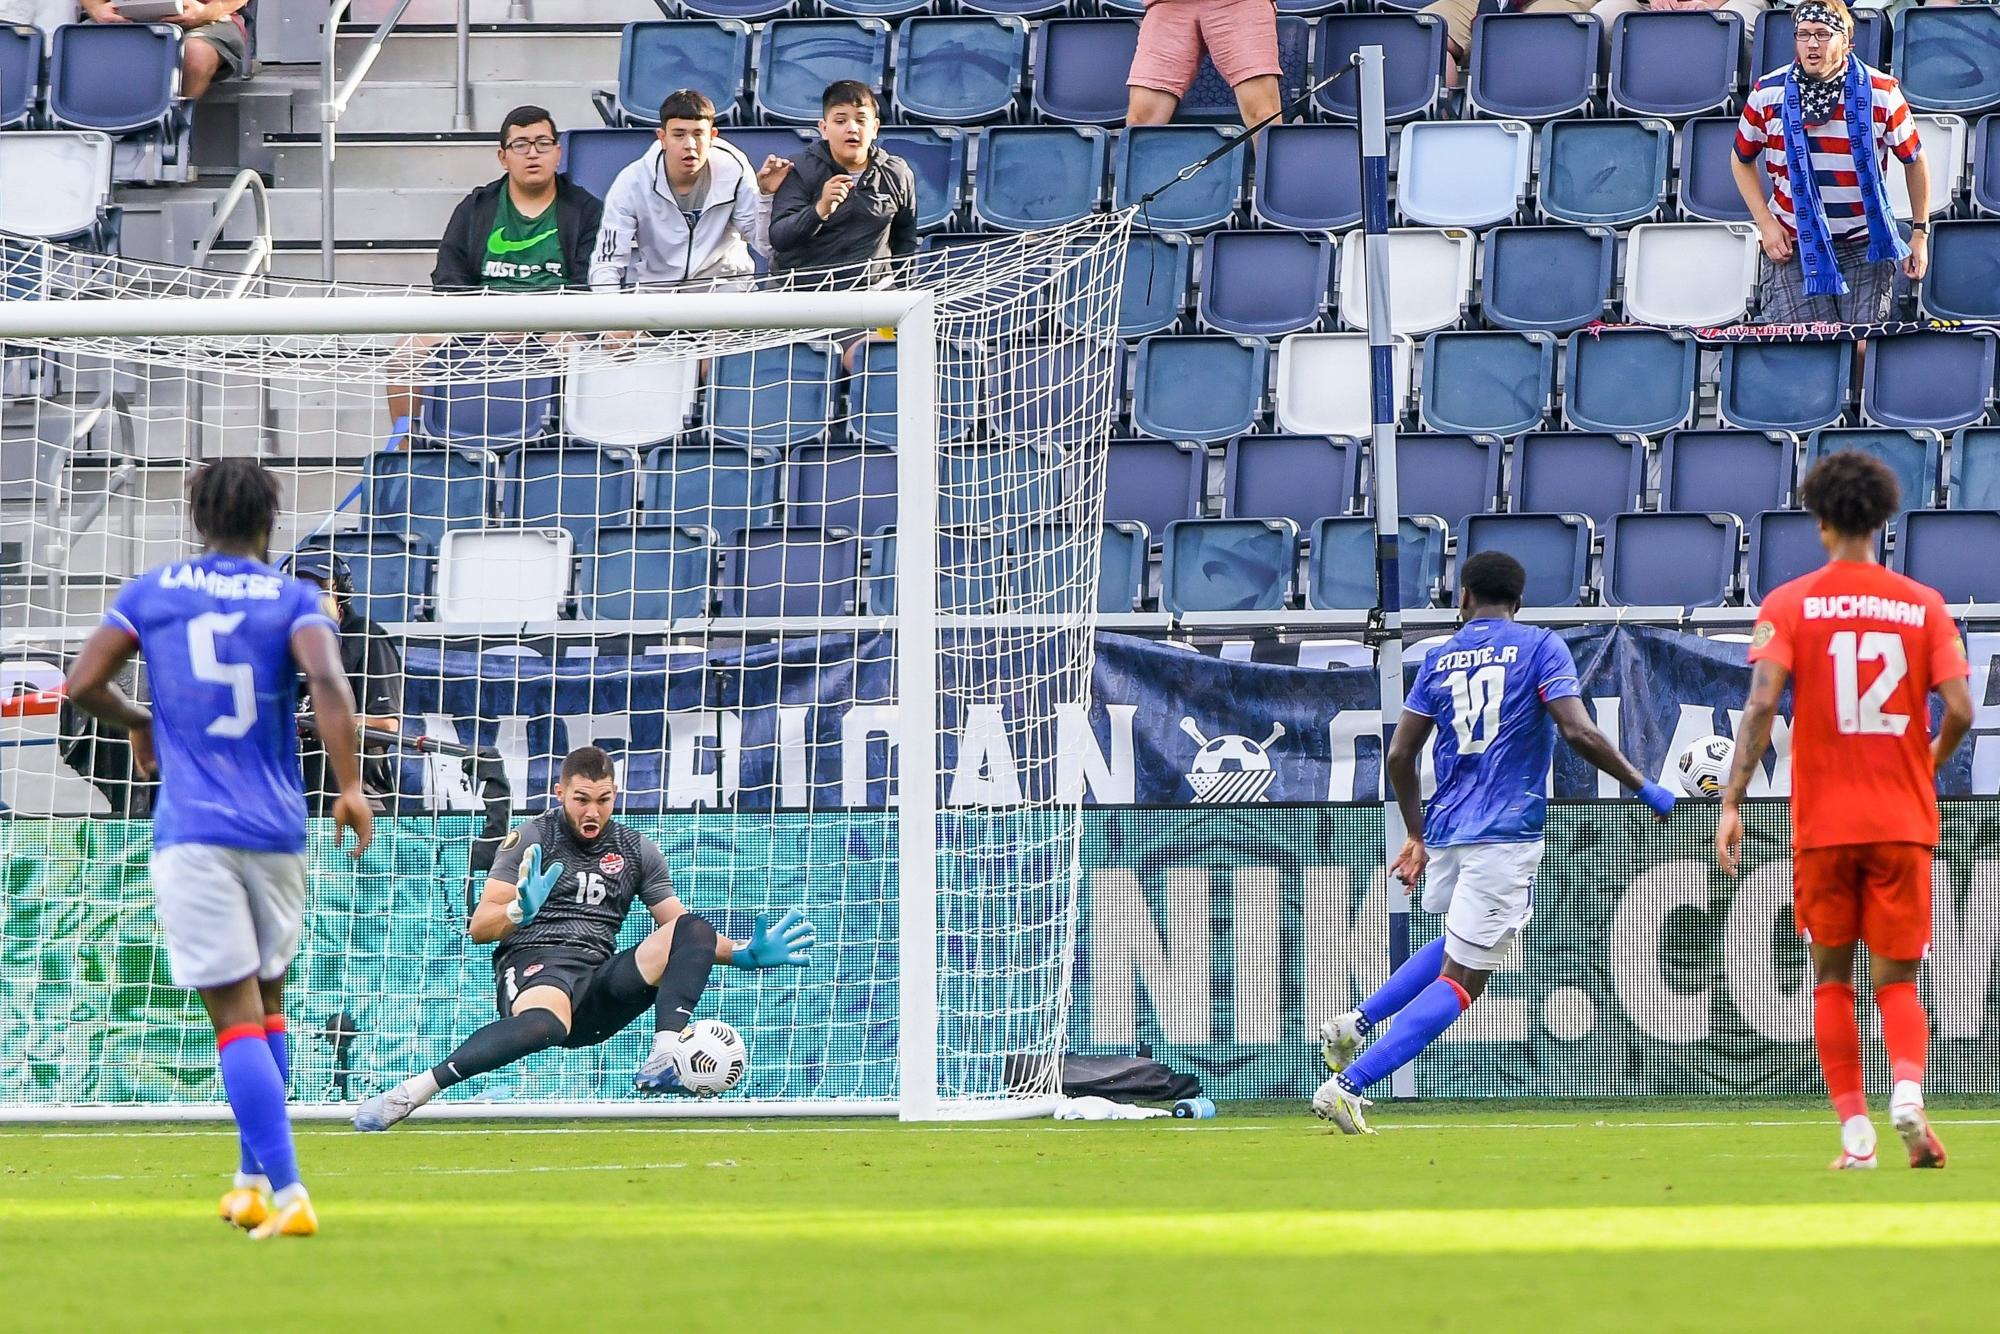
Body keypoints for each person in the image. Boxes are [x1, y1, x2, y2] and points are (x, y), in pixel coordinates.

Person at [63, 458, 373, 1239]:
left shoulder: (153, 593)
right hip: (277, 828)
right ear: (270, 521)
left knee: (233, 1018)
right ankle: (248, 1183)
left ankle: (293, 1192)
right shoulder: (294, 597)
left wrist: (140, 720)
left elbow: (82, 684)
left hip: (195, 832)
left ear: (197, 518)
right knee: (270, 1006)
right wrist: (350, 786)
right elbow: (331, 684)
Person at [1313, 551, 1676, 1132]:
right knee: (1466, 979)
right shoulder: (1540, 647)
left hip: (1449, 829)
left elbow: (1401, 754)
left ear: (1463, 597)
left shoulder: (1439, 657)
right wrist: (1645, 787)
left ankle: (1353, 1026)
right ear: (1518, 601)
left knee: (1456, 942)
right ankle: (1349, 1084)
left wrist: (1415, 832)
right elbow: (1577, 729)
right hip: (1503, 833)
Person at [1717, 451, 1972, 1170]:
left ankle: (1856, 1133)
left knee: (1831, 979)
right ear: (1884, 520)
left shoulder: (1789, 604)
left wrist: (1733, 801)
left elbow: (1763, 702)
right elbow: (1960, 709)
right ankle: (1909, 1095)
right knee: (1897, 982)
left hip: (1824, 826)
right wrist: (1923, 763)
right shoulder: (1923, 605)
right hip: (1903, 823)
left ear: (1820, 521)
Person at [352, 745, 816, 1130]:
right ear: (560, 793)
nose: (593, 811)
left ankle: (665, 1053)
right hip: (538, 967)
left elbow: (680, 932)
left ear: (615, 795)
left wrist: (742, 953)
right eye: (581, 799)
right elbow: (479, 926)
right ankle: (410, 1094)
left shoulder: (636, 849)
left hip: (599, 982)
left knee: (694, 925)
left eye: (604, 799)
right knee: (547, 1024)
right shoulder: (532, 838)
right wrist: (519, 909)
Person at [387, 106, 606, 428]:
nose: (533, 153)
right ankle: (407, 448)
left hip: (555, 326)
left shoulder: (586, 209)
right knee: (405, 354)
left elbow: (586, 282)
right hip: (482, 323)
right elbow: (449, 276)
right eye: (521, 145)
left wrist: (533, 322)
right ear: (503, 157)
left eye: (543, 143)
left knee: (569, 349)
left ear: (558, 153)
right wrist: (486, 321)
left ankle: (556, 445)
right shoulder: (477, 208)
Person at [1732, 1, 1928, 324]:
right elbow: (1740, 159)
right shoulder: (1767, 93)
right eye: (1804, 34)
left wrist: (1920, 232)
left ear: (1847, 40)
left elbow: (1915, 159)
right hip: (1795, 245)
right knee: (1808, 349)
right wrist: (1765, 223)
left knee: (1864, 348)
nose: (1812, 44)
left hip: (1865, 244)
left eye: (1822, 34)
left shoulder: (1882, 93)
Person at [590, 88, 791, 291]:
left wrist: (766, 196)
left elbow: (764, 245)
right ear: (662, 137)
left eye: (698, 134)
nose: (690, 145)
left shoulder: (735, 169)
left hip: (727, 290)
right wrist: (613, 316)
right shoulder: (632, 182)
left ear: (712, 135)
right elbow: (607, 261)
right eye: (679, 135)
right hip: (658, 295)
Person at [767, 81, 917, 287]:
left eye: (861, 120)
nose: (852, 129)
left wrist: (900, 290)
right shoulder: (800, 169)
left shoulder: (896, 173)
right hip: (802, 295)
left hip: (872, 295)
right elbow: (779, 237)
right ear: (824, 128)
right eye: (840, 121)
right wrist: (819, 210)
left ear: (875, 128)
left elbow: (905, 239)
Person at [285, 549, 402, 811]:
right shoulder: (281, 642)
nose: (309, 596)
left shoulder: (367, 638)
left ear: (342, 592)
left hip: (358, 802)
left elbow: (386, 727)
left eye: (320, 587)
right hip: (292, 804)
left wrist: (320, 724)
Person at [1125, 0, 1281, 135]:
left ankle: (1275, 170)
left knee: (1263, 114)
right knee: (1140, 121)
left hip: (1240, 4)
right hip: (1169, 5)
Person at [81, 0, 250, 102]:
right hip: (124, 16)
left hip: (207, 19)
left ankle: (173, 132)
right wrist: (97, 9)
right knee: (79, 52)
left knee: (196, 54)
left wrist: (207, 11)